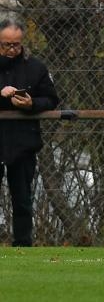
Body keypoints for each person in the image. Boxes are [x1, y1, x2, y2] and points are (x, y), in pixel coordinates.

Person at [0, 18, 59, 246]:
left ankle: (23, 244)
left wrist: (31, 104)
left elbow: (51, 99)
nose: (11, 50)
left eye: (16, 44)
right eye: (6, 45)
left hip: (23, 142)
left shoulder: (36, 68)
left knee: (23, 199)